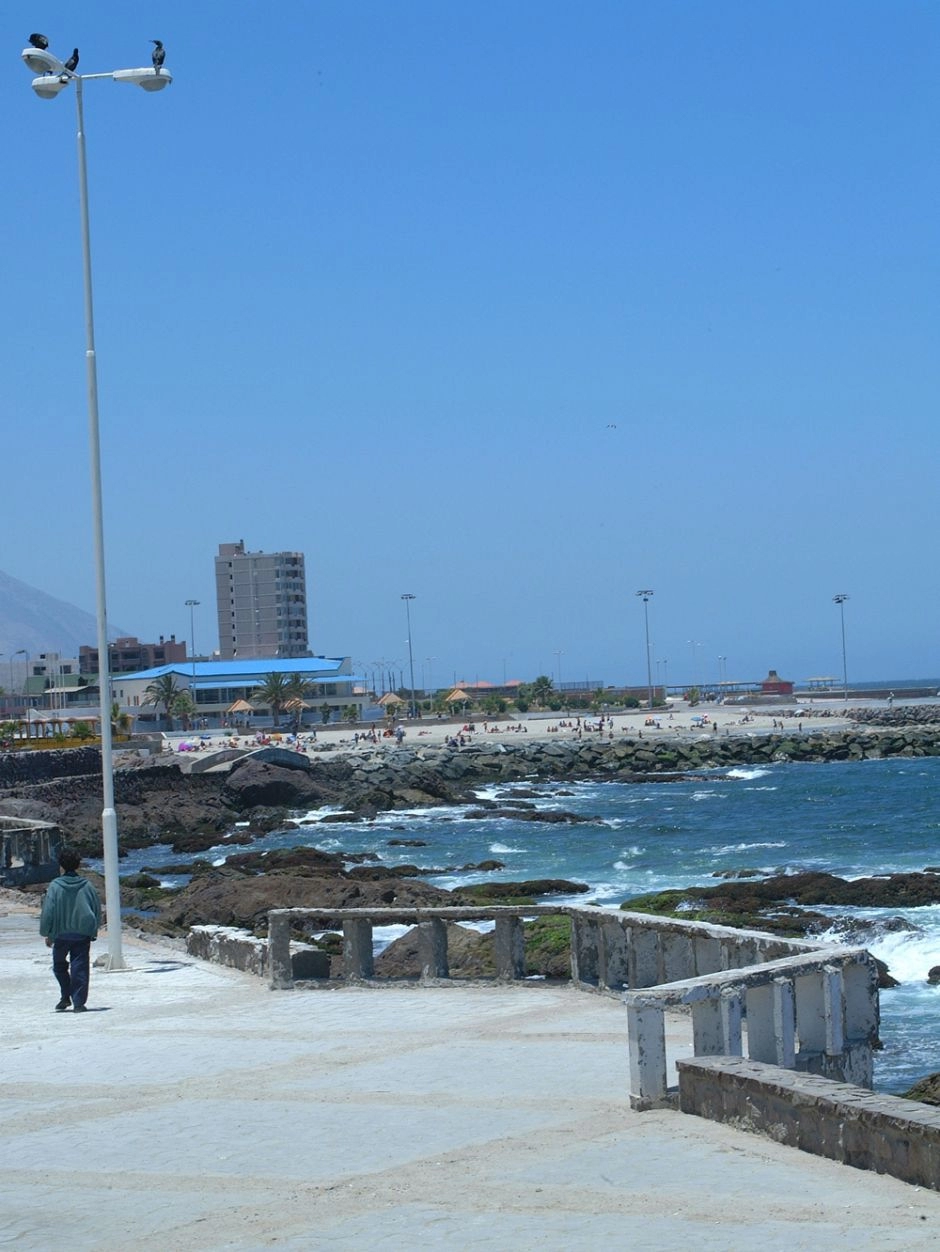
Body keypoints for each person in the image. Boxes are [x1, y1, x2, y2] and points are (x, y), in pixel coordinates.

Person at [39, 845, 101, 1013]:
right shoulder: (87, 885)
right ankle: (78, 1002)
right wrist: (94, 930)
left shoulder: (55, 886)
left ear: (61, 865)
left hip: (60, 934)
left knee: (59, 966)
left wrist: (46, 932)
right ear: (78, 864)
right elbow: (96, 909)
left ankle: (66, 995)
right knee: (79, 966)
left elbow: (48, 911)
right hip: (82, 933)